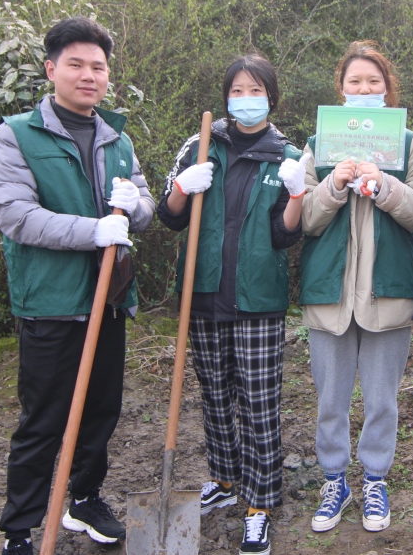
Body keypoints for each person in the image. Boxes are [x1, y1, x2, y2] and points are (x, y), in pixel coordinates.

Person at [0, 17, 156, 555]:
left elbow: (144, 207)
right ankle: (20, 528)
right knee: (43, 419)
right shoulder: (18, 134)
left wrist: (136, 207)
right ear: (51, 68)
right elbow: (14, 214)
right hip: (52, 303)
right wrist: (92, 231)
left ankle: (84, 498)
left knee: (101, 409)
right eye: (77, 65)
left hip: (108, 299)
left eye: (98, 67)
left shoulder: (116, 138)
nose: (89, 76)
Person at [158, 54, 304, 555]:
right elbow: (169, 217)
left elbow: (287, 236)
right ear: (226, 96)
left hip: (257, 297)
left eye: (255, 90)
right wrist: (182, 186)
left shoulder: (286, 154)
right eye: (237, 90)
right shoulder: (199, 145)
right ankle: (223, 479)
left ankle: (260, 501)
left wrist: (298, 194)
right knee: (214, 394)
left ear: (271, 97)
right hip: (202, 292)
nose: (246, 99)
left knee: (260, 403)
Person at [299, 41, 413, 533]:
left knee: (382, 399)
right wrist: (332, 186)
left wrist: (385, 187)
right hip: (329, 295)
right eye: (355, 82)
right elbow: (304, 221)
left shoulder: (410, 144)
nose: (364, 89)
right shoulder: (317, 144)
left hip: (388, 292)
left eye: (373, 82)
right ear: (341, 89)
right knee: (330, 399)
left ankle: (375, 478)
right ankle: (334, 479)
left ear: (387, 89)